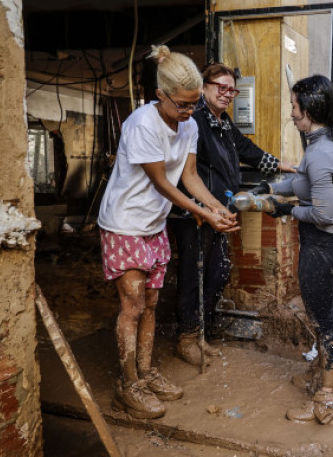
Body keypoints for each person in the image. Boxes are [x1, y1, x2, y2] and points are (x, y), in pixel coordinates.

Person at [97, 45, 238, 418]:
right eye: (182, 104)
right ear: (160, 95)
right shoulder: (142, 124)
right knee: (132, 306)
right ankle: (128, 385)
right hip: (125, 224)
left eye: (194, 104)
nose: (190, 112)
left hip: (153, 224)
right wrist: (203, 214)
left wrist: (218, 207)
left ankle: (145, 373)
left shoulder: (189, 124)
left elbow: (189, 176)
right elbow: (162, 182)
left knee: (152, 305)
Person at [168, 63, 296, 366]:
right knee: (193, 274)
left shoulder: (223, 123)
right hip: (194, 212)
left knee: (218, 272)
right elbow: (185, 173)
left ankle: (201, 334)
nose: (227, 94)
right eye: (221, 87)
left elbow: (247, 149)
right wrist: (206, 207)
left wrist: (281, 165)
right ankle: (186, 338)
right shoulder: (193, 121)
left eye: (232, 90)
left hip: (220, 212)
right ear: (204, 86)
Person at [254, 75, 333, 425]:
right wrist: (270, 186)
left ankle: (329, 397)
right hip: (325, 243)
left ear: (308, 110)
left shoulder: (321, 153)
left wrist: (284, 209)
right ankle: (322, 377)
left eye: (295, 107)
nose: (291, 113)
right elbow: (302, 181)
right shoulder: (322, 145)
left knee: (324, 322)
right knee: (320, 315)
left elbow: (322, 213)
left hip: (321, 245)